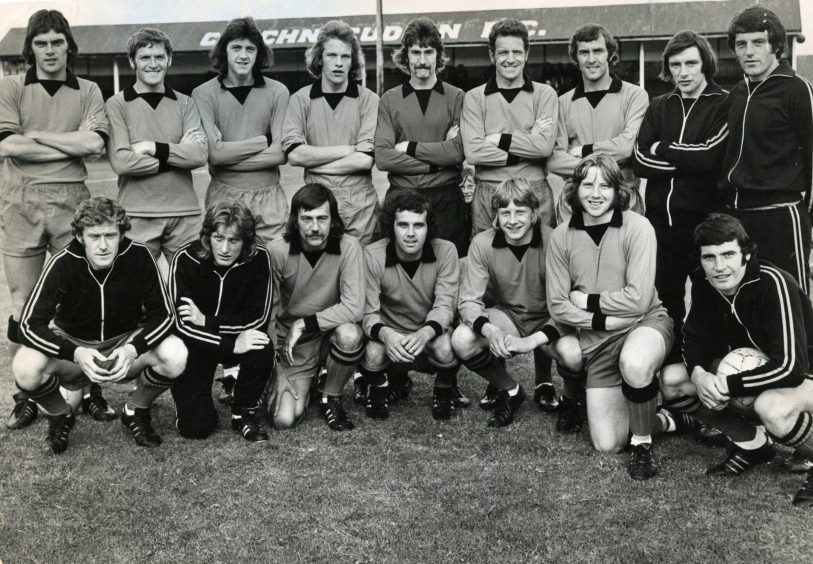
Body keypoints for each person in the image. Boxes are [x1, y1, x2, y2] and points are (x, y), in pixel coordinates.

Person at [0, 9, 113, 429]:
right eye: (41, 43)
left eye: (57, 41)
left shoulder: (87, 89)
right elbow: (9, 147)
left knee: (83, 301)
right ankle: (28, 393)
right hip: (19, 200)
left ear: (69, 45)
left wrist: (39, 137)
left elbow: (95, 144)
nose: (50, 50)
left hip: (73, 202)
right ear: (29, 48)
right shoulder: (10, 87)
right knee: (23, 307)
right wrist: (70, 146)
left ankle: (90, 388)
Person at [13, 197, 187, 454]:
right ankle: (61, 415)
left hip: (123, 345)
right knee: (24, 367)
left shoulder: (139, 256)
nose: (103, 245)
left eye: (110, 235)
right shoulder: (63, 262)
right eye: (94, 236)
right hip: (74, 350)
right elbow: (29, 324)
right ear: (80, 237)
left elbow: (164, 316)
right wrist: (74, 352)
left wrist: (132, 349)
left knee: (176, 353)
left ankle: (135, 410)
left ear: (121, 233)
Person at [663, 213, 813, 506]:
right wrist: (698, 375)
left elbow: (792, 367)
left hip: (806, 371)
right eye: (710, 257)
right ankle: (752, 444)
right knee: (673, 381)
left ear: (746, 253)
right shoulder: (704, 283)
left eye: (728, 254)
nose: (719, 267)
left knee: (773, 407)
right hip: (756, 369)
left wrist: (726, 385)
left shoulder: (773, 282)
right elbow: (694, 338)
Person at [546, 155, 674, 480]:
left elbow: (639, 298)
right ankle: (668, 418)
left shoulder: (638, 226)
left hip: (645, 323)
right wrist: (602, 322)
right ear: (574, 189)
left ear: (617, 190)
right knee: (607, 444)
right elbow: (558, 305)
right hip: (599, 338)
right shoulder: (561, 236)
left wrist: (587, 300)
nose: (596, 193)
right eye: (588, 184)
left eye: (605, 185)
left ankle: (643, 444)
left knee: (634, 362)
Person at [459, 18, 560, 411]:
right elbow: (472, 152)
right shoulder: (474, 98)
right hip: (488, 193)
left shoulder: (546, 93)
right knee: (492, 281)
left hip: (535, 189)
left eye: (517, 51)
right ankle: (499, 379)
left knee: (541, 277)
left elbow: (545, 146)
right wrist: (527, 142)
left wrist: (497, 138)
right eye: (503, 52)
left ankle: (546, 381)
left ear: (526, 54)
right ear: (492, 54)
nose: (510, 59)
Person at [191, 17, 289, 404]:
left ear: (259, 53)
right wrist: (261, 141)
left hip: (270, 195)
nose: (244, 55)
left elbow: (282, 152)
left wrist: (234, 151)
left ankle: (271, 361)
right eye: (236, 48)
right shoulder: (204, 92)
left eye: (250, 48)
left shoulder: (278, 91)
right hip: (224, 195)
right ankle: (231, 366)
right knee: (225, 279)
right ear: (224, 53)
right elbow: (213, 155)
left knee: (273, 275)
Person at [451, 178, 582, 428]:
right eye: (505, 212)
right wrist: (488, 329)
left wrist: (533, 340)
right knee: (462, 339)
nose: (512, 220)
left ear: (534, 213)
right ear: (496, 217)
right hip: (510, 315)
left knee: (573, 354)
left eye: (520, 211)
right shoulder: (482, 243)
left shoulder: (554, 241)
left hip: (551, 318)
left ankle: (571, 400)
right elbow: (469, 300)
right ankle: (510, 389)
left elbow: (566, 305)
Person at [632, 30, 730, 367]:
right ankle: (672, 367)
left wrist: (665, 147)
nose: (683, 72)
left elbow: (711, 158)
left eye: (691, 63)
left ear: (705, 63)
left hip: (705, 225)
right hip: (662, 225)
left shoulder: (724, 102)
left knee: (708, 300)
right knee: (667, 300)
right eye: (676, 64)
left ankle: (707, 366)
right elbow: (640, 160)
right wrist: (687, 160)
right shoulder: (660, 105)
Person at [718, 6, 812, 294]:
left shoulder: (796, 89)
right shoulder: (737, 92)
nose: (749, 52)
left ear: (776, 47)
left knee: (790, 296)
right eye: (741, 44)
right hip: (738, 216)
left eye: (758, 43)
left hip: (781, 216)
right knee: (746, 298)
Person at [168, 201, 274, 442]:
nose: (224, 248)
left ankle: (243, 413)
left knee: (261, 344)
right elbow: (183, 326)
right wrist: (228, 343)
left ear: (246, 242)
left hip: (235, 338)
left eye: (233, 241)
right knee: (196, 428)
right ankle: (188, 402)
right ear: (207, 236)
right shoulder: (185, 258)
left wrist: (207, 320)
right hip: (197, 346)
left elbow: (258, 318)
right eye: (218, 238)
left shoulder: (259, 258)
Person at [266, 183, 365, 431]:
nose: (314, 227)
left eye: (322, 218)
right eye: (306, 218)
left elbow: (354, 307)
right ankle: (308, 384)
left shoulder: (349, 247)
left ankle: (330, 395)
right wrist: (275, 366)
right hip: (291, 345)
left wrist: (305, 323)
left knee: (350, 334)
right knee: (283, 420)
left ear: (333, 220)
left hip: (327, 334)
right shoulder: (276, 251)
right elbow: (266, 314)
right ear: (294, 220)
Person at [105, 27, 208, 265]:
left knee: (190, 288)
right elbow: (121, 162)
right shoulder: (116, 104)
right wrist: (177, 153)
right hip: (136, 214)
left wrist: (152, 147)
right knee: (135, 292)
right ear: (133, 61)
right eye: (144, 57)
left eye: (159, 57)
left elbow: (199, 154)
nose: (153, 64)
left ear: (169, 59)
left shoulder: (186, 103)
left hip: (185, 213)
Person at [361, 189, 460, 420]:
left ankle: (444, 388)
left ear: (429, 227)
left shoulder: (446, 251)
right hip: (391, 334)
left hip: (428, 332)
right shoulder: (373, 255)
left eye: (419, 225)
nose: (411, 233)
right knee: (373, 352)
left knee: (446, 347)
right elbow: (368, 312)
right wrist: (386, 335)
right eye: (403, 225)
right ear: (391, 226)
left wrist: (424, 334)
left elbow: (445, 306)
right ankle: (380, 387)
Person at [281, 20, 380, 246]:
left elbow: (364, 160)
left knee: (361, 273)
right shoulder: (300, 99)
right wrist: (346, 149)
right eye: (331, 56)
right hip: (317, 203)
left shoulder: (369, 100)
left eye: (345, 57)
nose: (338, 63)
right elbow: (295, 155)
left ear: (353, 61)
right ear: (319, 58)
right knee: (321, 274)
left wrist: (314, 164)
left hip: (360, 205)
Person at [374, 17, 467, 256]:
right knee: (402, 271)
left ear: (439, 55)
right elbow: (384, 157)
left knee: (448, 268)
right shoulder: (389, 99)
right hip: (402, 198)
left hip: (446, 199)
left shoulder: (456, 97)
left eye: (428, 52)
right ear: (406, 56)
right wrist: (438, 163)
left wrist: (410, 148)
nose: (423, 61)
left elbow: (458, 151)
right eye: (416, 52)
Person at [548, 24, 648, 221]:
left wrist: (584, 151)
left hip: (623, 199)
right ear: (576, 58)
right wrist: (598, 166)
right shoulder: (562, 103)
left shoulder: (635, 96)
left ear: (610, 54)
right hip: (575, 202)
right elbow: (554, 158)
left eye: (598, 51)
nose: (591, 59)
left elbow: (627, 147)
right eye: (584, 52)